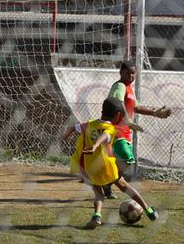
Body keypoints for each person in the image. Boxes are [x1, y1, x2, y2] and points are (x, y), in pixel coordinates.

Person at [62, 97, 159, 229]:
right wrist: (96, 145)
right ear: (118, 115)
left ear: (102, 110)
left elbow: (73, 127)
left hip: (90, 168)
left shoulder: (89, 124)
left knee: (99, 193)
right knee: (124, 186)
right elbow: (104, 136)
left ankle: (97, 215)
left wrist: (64, 136)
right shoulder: (111, 129)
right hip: (107, 167)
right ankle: (148, 210)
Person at [103, 61, 172, 199]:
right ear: (121, 72)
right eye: (128, 72)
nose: (131, 75)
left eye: (133, 73)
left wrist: (155, 112)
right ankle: (107, 181)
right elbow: (118, 102)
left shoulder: (129, 89)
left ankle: (106, 182)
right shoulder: (120, 86)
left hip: (125, 132)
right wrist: (128, 121)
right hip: (116, 130)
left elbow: (137, 108)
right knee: (127, 159)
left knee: (121, 160)